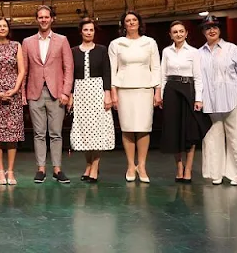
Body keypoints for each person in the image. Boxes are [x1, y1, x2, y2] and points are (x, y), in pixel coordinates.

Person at [199, 15, 237, 186]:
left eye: (215, 27)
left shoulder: (232, 49)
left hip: (232, 98)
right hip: (211, 102)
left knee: (236, 138)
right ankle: (216, 173)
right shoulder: (199, 53)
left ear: (220, 30)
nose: (211, 30)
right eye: (208, 28)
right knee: (213, 138)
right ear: (203, 32)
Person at [22, 5, 74, 184]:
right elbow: (24, 70)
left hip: (57, 93)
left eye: (46, 17)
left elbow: (69, 68)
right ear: (37, 19)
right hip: (34, 92)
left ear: (52, 19)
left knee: (56, 133)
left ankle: (57, 169)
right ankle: (41, 169)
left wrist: (66, 92)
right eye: (40, 17)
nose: (43, 20)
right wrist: (23, 93)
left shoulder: (62, 40)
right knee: (38, 133)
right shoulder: (27, 42)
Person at [108, 11, 161, 184]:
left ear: (139, 23)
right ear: (123, 24)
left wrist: (157, 91)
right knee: (128, 127)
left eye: (134, 20)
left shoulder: (150, 42)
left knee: (144, 127)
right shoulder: (116, 44)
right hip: (124, 89)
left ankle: (142, 165)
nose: (131, 23)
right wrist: (113, 92)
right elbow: (112, 70)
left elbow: (156, 68)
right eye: (128, 21)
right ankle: (131, 165)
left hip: (145, 88)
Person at [160, 21, 210, 183]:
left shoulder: (194, 52)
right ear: (170, 35)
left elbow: (198, 77)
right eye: (175, 32)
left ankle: (188, 169)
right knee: (174, 131)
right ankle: (179, 167)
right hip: (171, 91)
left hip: (188, 90)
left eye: (181, 31)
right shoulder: (166, 51)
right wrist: (160, 95)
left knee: (190, 131)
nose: (179, 34)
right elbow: (163, 75)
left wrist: (199, 99)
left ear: (187, 33)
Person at [67, 18, 114, 183]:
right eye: (86, 30)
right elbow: (70, 75)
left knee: (98, 130)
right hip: (81, 92)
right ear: (81, 32)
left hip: (97, 91)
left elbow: (107, 72)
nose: (88, 33)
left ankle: (95, 167)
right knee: (85, 132)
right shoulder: (73, 51)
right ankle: (88, 165)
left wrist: (108, 93)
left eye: (91, 30)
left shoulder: (102, 50)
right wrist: (71, 95)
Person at [0, 17, 25, 185]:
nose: (2, 28)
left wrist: (15, 90)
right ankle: (0, 170)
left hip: (13, 92)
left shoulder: (16, 45)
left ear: (8, 29)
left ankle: (11, 171)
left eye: (4, 26)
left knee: (12, 134)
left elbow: (21, 70)